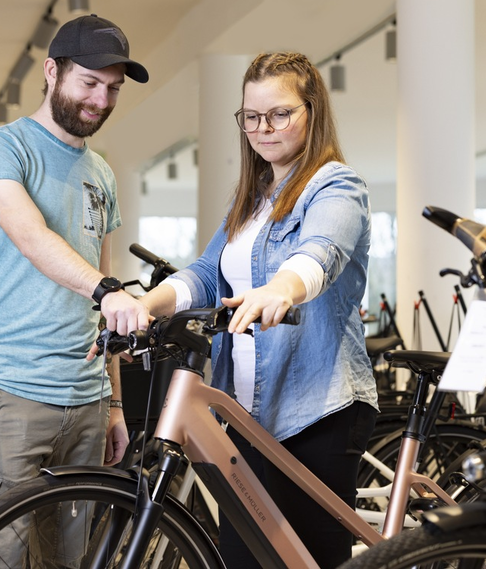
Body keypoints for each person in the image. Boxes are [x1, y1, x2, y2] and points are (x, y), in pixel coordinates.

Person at [127, 51, 379, 568]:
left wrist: (282, 289)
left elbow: (320, 255)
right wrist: (143, 306)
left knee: (306, 560)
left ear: (312, 111)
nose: (263, 129)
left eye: (280, 114)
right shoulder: (254, 199)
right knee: (244, 559)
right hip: (244, 413)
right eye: (251, 117)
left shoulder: (336, 186)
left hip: (316, 407)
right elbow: (204, 274)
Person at [0, 14, 152, 565]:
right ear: (51, 72)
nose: (101, 98)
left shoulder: (102, 173)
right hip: (13, 390)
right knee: (0, 558)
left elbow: (104, 303)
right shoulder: (1, 147)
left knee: (71, 561)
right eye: (89, 82)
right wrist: (109, 290)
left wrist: (114, 403)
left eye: (113, 88)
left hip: (87, 400)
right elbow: (31, 237)